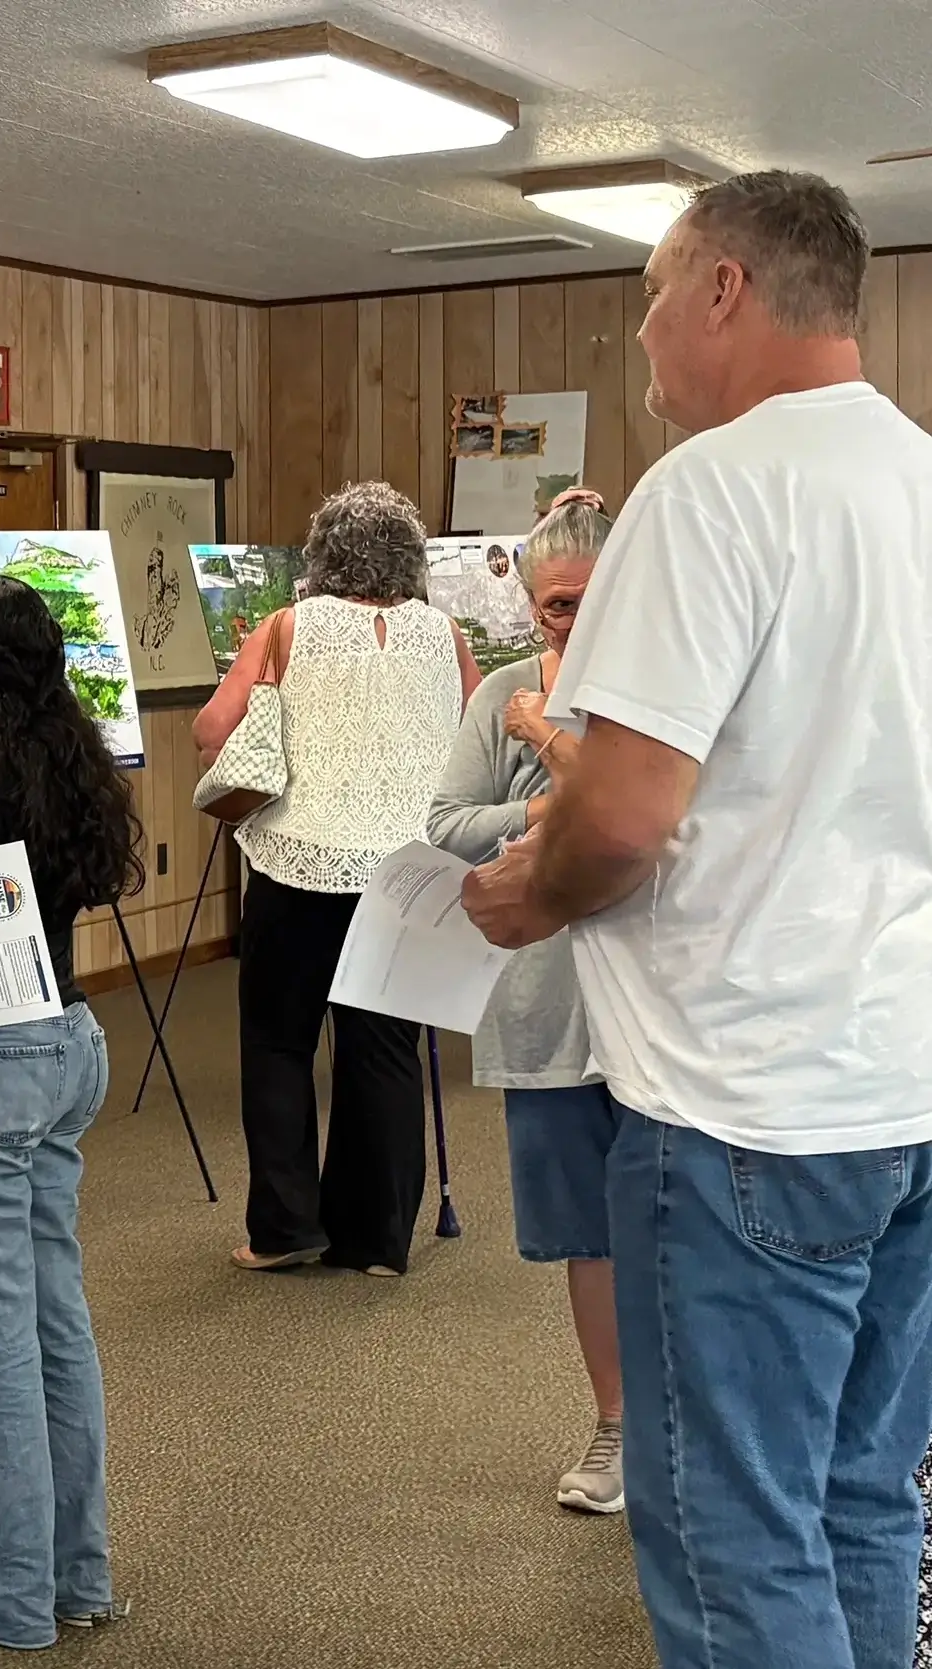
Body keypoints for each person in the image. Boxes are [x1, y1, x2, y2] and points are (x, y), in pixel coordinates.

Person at [463, 170, 932, 1669]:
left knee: (735, 1536)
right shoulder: (918, 479)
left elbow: (621, 812)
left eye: (655, 293)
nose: (644, 334)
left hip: (747, 1101)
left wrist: (525, 892)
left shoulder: (711, 487)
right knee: (861, 1497)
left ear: (725, 288)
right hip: (907, 1083)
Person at [0, 574, 146, 1649]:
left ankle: (9, 1600)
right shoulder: (70, 756)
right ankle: (77, 1573)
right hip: (68, 1041)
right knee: (59, 1323)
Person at [195, 481, 477, 1277]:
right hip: (407, 869)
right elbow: (474, 734)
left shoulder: (288, 627)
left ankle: (285, 1226)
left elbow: (213, 729)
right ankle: (377, 1239)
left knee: (279, 1042)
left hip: (296, 862)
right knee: (383, 1048)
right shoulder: (445, 633)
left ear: (321, 554)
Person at [424, 488, 624, 1514]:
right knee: (587, 1234)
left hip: (659, 1011)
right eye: (556, 606)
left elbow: (665, 816)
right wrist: (541, 805)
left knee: (688, 1228)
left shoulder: (661, 682)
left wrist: (548, 741)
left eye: (594, 599)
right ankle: (616, 1427)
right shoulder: (501, 691)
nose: (574, 623)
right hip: (545, 1004)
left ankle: (693, 1432)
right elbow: (446, 823)